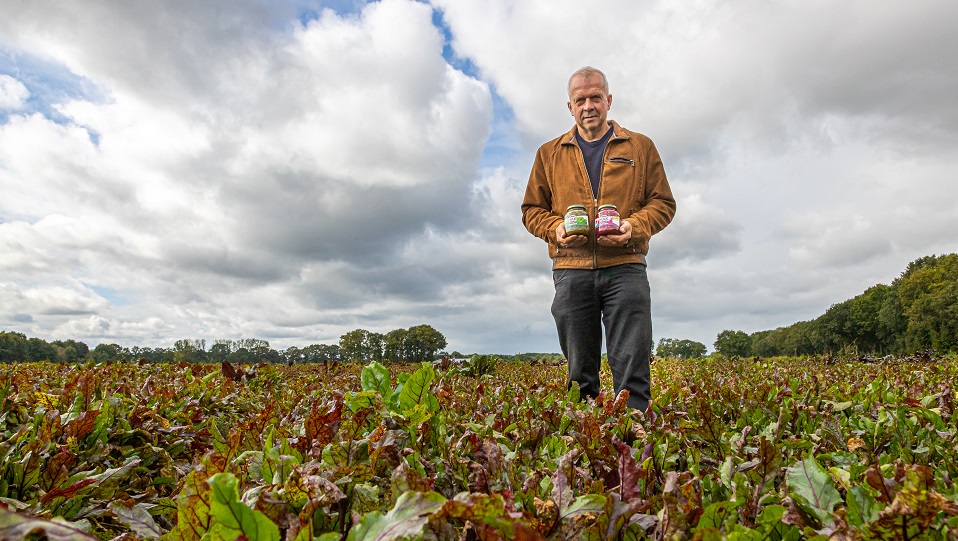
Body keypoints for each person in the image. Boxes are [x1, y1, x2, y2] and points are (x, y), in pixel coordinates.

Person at [521, 66, 676, 411]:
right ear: (570, 107)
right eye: (580, 100)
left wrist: (634, 227)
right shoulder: (549, 153)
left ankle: (635, 429)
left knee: (632, 361)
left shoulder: (640, 146)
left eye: (595, 98)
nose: (588, 105)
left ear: (609, 100)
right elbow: (532, 210)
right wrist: (555, 229)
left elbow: (663, 203)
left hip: (626, 267)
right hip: (571, 269)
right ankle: (586, 433)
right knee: (580, 371)